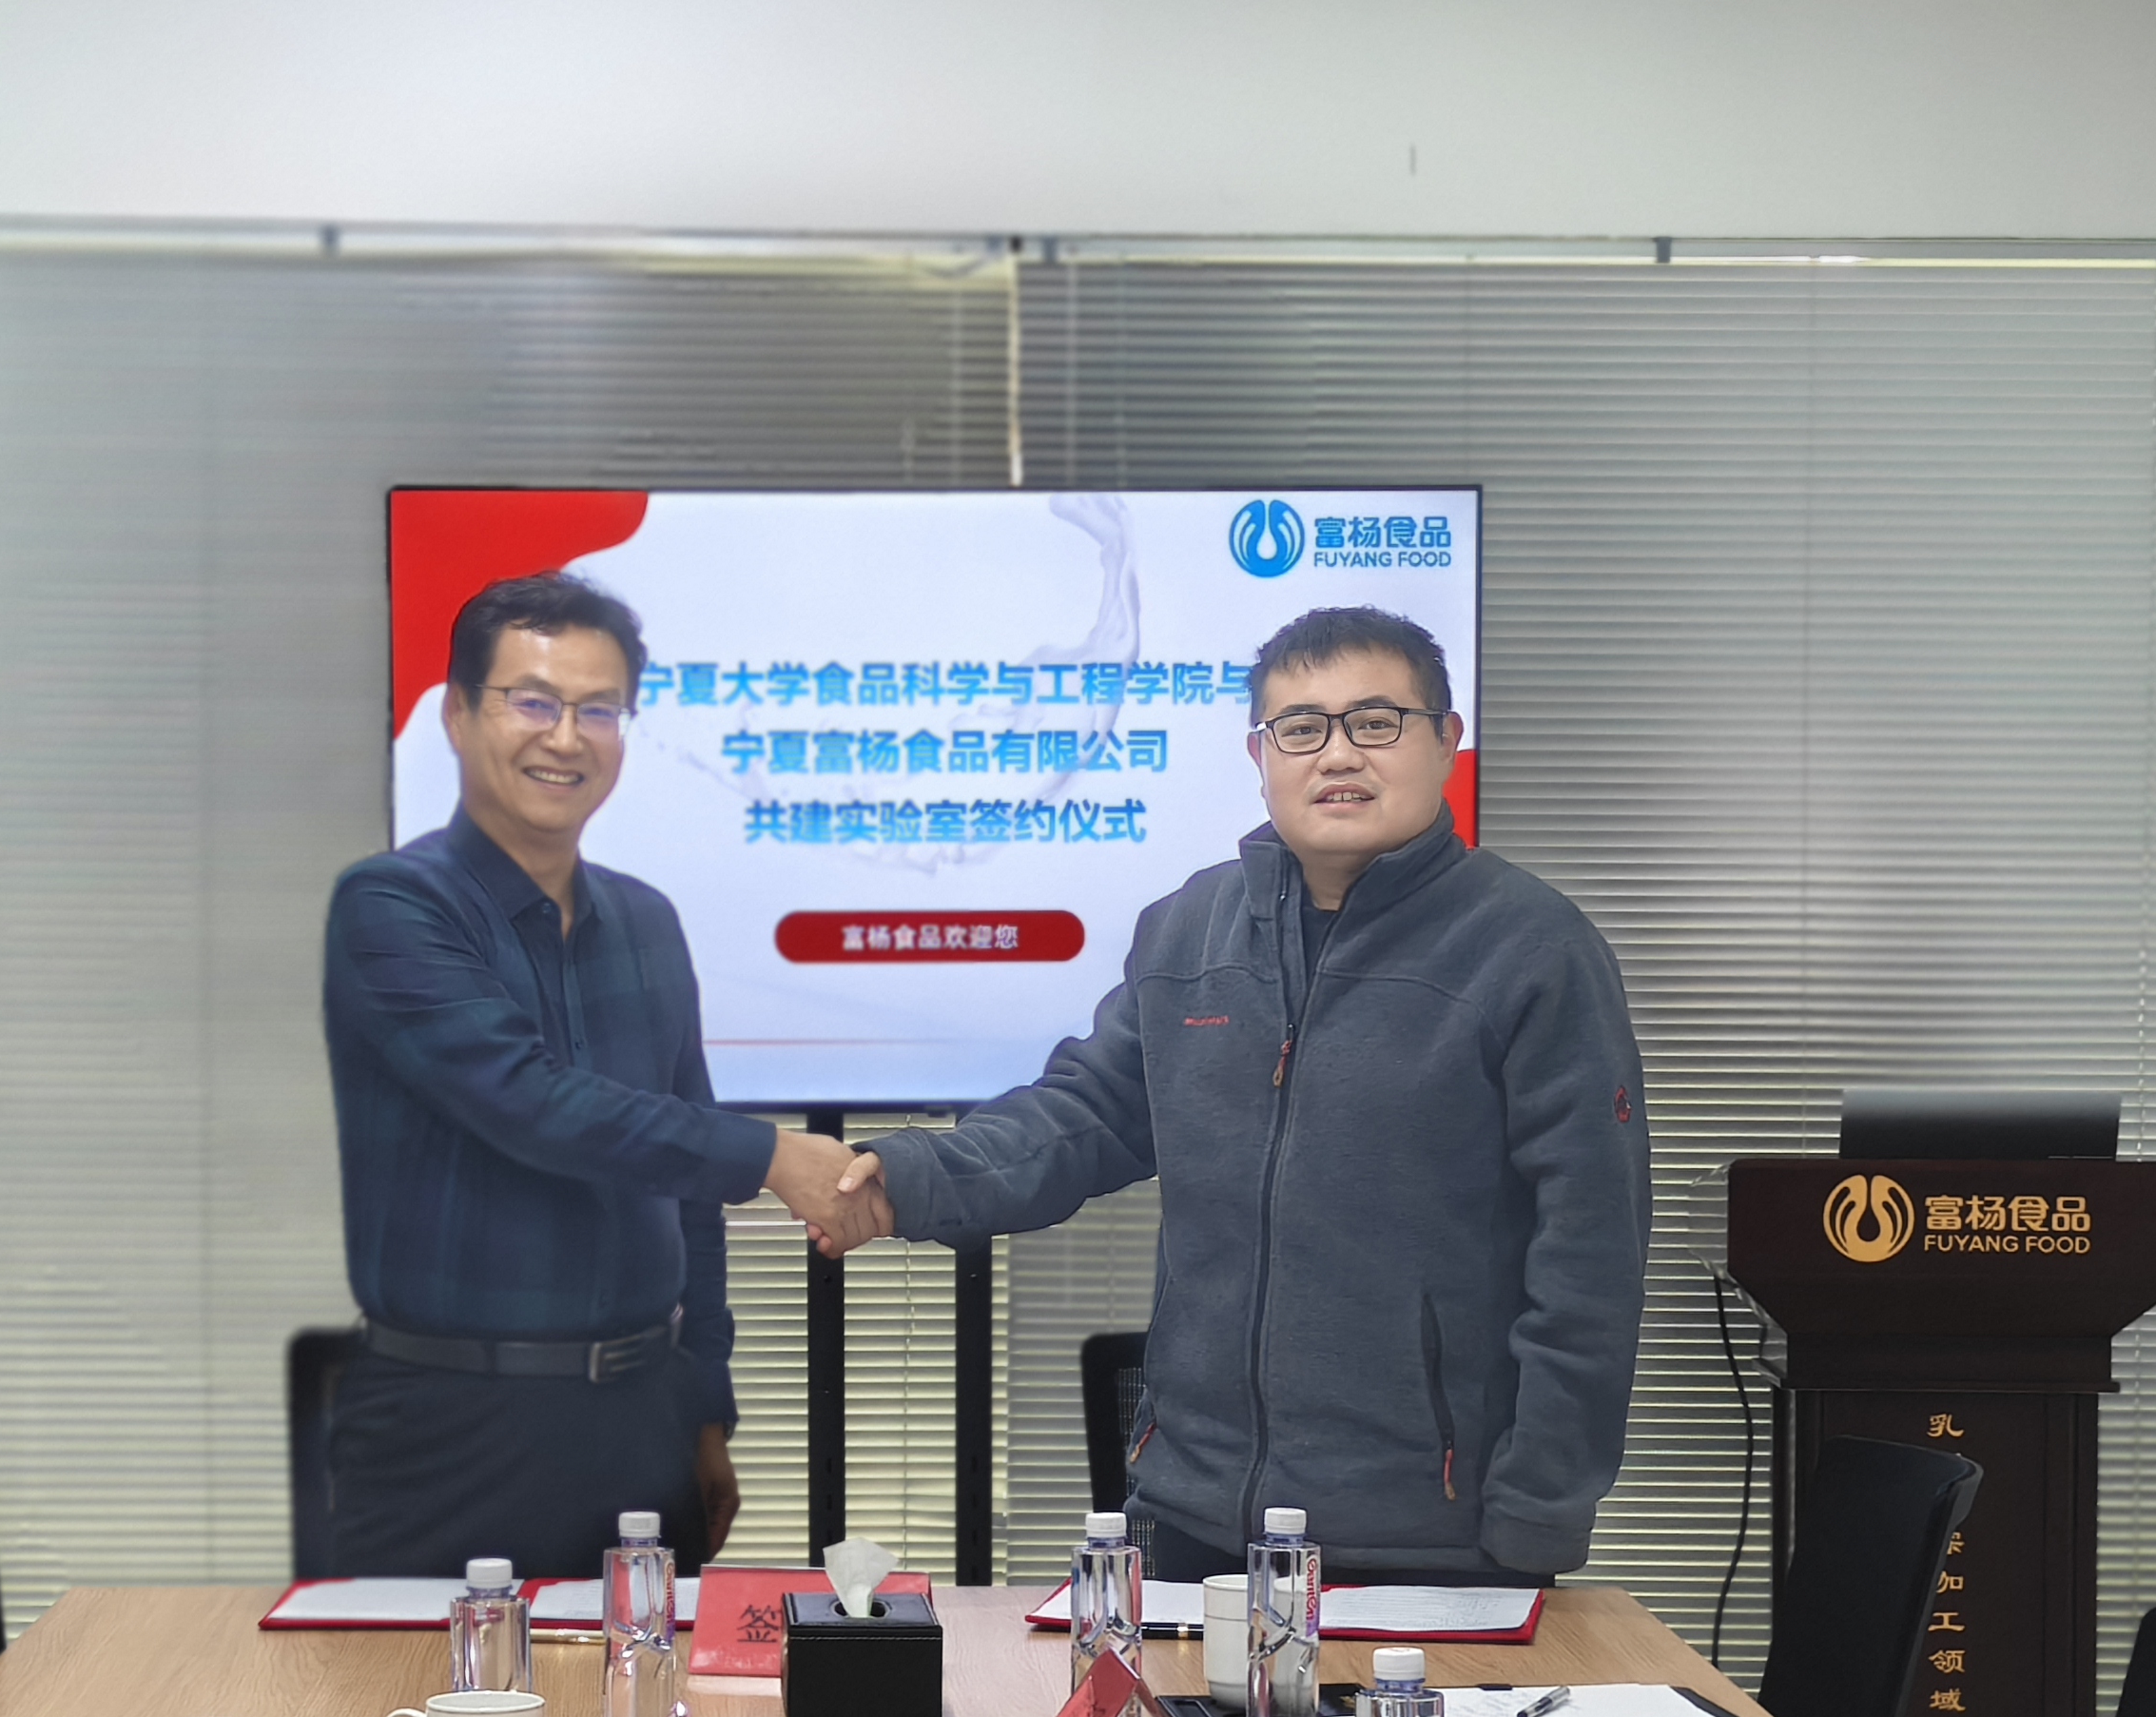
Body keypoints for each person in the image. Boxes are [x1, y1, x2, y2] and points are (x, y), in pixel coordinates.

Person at [812, 604, 1651, 1586]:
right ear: (1259, 754)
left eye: (1374, 722)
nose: (1337, 754)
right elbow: (1083, 1116)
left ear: (1445, 741)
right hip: (1193, 1515)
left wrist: (1539, 1510)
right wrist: (907, 1176)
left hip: (1432, 1536)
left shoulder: (1532, 950)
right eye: (1300, 728)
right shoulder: (1190, 928)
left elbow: (1589, 1255)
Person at [321, 572, 867, 1575]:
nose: (566, 738)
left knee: (651, 1680)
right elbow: (529, 1104)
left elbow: (690, 1196)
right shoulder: (392, 906)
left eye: (599, 710)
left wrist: (705, 1411)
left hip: (642, 1423)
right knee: (428, 1679)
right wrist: (772, 1156)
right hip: (450, 1430)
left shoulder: (647, 921)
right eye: (532, 702)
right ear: (455, 715)